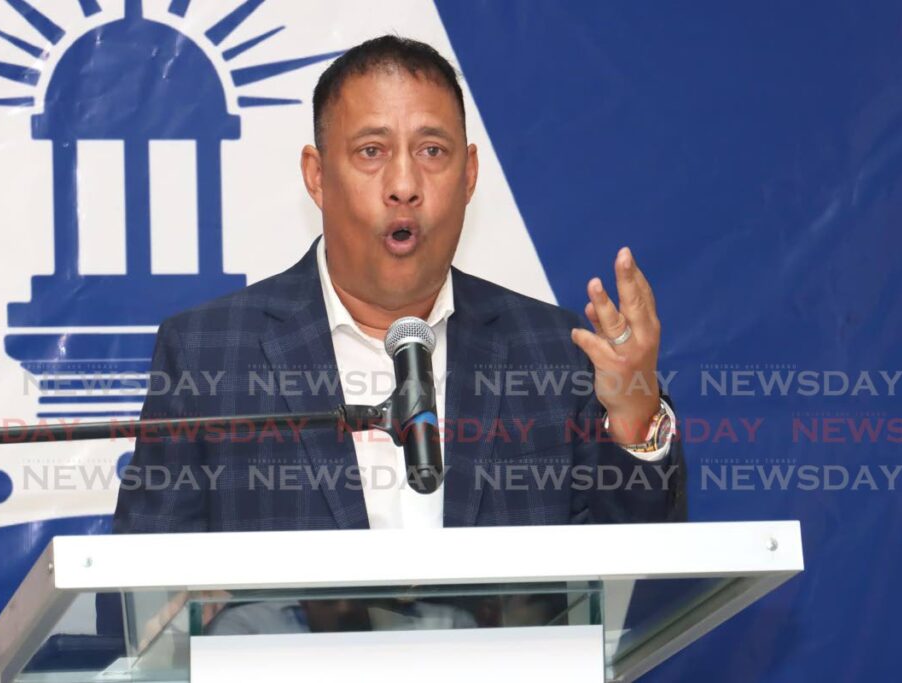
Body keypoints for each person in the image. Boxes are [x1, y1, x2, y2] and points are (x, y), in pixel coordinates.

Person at [112, 35, 686, 535]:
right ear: (317, 176)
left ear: (469, 175)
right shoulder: (209, 354)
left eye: (432, 151)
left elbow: (645, 583)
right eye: (371, 151)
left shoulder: (558, 353)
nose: (405, 184)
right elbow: (144, 600)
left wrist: (635, 415)